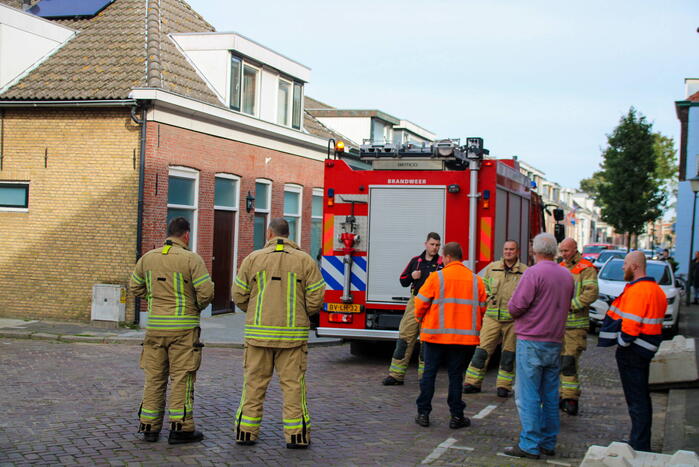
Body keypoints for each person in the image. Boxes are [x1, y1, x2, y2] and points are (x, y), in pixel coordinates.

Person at [232, 218, 325, 449]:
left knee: (253, 385)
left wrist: (253, 311)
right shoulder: (304, 260)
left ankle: (246, 432)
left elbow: (238, 294)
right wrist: (303, 313)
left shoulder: (253, 259)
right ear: (289, 234)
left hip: (258, 336)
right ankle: (296, 436)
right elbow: (316, 297)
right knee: (293, 387)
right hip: (292, 338)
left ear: (269, 233)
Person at [129, 217, 215, 444]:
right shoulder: (191, 260)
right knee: (181, 378)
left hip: (155, 328)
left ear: (169, 233)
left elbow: (134, 286)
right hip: (183, 330)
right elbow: (206, 293)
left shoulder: (147, 258)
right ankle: (181, 429)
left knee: (155, 377)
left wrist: (153, 299)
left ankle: (149, 427)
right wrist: (194, 306)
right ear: (186, 235)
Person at [504, 233, 574, 459]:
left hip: (532, 339)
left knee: (528, 395)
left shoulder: (533, 273)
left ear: (535, 251)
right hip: (555, 340)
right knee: (550, 394)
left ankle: (529, 443)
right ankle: (548, 441)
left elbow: (516, 306)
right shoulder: (566, 275)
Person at [413, 242, 486, 429]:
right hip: (463, 340)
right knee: (455, 377)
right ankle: (456, 416)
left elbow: (420, 303)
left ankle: (423, 414)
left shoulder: (436, 277)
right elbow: (483, 308)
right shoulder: (476, 280)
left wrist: (420, 319)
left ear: (446, 257)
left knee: (429, 374)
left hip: (435, 336)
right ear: (460, 257)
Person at [598, 251, 666, 452]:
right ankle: (640, 440)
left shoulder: (638, 291)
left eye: (625, 263)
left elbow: (630, 327)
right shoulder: (656, 290)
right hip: (645, 349)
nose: (622, 267)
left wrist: (621, 343)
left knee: (636, 400)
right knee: (641, 397)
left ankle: (639, 444)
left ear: (635, 266)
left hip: (634, 351)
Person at [464, 240, 527, 398]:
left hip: (513, 320)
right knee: (482, 350)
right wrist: (487, 298)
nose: (508, 252)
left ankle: (504, 386)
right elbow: (483, 287)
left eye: (512, 249)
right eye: (506, 249)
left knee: (508, 354)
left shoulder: (525, 272)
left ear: (517, 251)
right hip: (492, 317)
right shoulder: (492, 268)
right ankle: (472, 382)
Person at [382, 232, 443, 386]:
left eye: (437, 245)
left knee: (426, 342)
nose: (434, 248)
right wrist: (412, 277)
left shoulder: (442, 264)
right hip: (414, 303)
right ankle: (396, 375)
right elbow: (403, 280)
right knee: (404, 338)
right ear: (426, 244)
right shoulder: (416, 262)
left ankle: (425, 377)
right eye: (432, 244)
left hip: (432, 305)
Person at [557, 238, 598, 416]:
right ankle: (563, 396)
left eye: (566, 251)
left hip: (575, 325)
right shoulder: (560, 267)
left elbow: (591, 293)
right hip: (558, 325)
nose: (563, 254)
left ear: (575, 249)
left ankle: (571, 399)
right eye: (562, 251)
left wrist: (571, 304)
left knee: (569, 362)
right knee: (558, 362)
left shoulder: (586, 268)